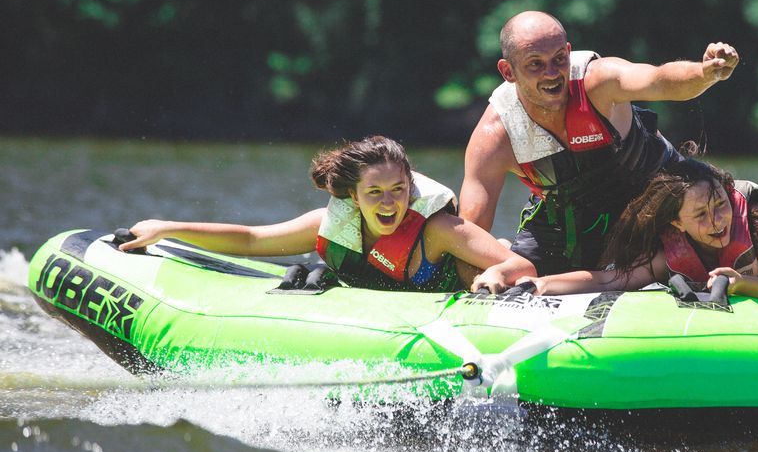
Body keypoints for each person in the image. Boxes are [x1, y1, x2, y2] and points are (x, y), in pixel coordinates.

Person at [462, 10, 739, 285]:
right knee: (518, 276)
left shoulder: (598, 81)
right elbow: (470, 235)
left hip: (655, 200)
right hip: (568, 218)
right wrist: (476, 284)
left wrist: (703, 73)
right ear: (508, 71)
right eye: (535, 64)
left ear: (569, 51)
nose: (552, 74)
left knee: (699, 249)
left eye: (559, 59)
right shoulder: (495, 136)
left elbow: (658, 80)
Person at [121, 136, 534, 292]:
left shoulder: (440, 230)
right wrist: (167, 229)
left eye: (398, 190)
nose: (388, 203)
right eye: (374, 193)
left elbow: (521, 266)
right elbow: (251, 238)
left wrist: (497, 274)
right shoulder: (331, 225)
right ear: (354, 196)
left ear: (410, 189)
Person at [518, 158, 758, 304]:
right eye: (701, 215)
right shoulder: (670, 253)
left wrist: (740, 283)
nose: (718, 220)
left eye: (721, 204)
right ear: (677, 223)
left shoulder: (756, 224)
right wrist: (541, 284)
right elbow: (612, 279)